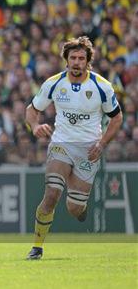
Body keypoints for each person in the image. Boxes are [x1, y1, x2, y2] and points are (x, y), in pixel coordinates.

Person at [25, 36, 123, 260]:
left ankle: (80, 206)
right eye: (73, 58)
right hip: (62, 144)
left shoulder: (102, 86)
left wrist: (102, 144)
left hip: (89, 149)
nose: (77, 62)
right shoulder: (53, 83)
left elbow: (117, 119)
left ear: (88, 61)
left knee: (74, 208)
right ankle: (37, 247)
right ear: (66, 60)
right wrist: (35, 126)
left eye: (81, 58)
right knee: (52, 193)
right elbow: (32, 109)